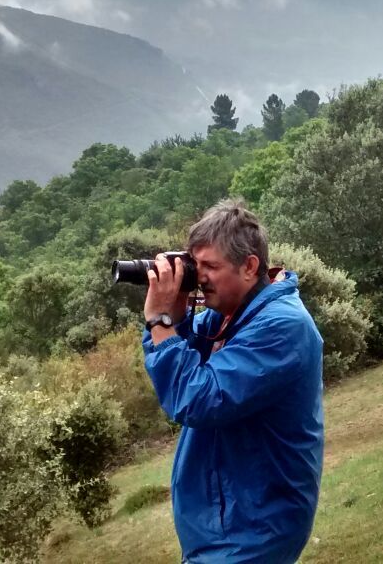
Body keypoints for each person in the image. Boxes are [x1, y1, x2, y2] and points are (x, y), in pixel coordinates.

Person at [141, 199, 324, 563]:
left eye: (210, 266)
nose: (200, 277)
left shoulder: (281, 327)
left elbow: (196, 398)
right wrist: (175, 318)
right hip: (227, 523)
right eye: (196, 266)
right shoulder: (228, 316)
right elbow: (185, 369)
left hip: (254, 526)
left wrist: (160, 322)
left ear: (249, 266)